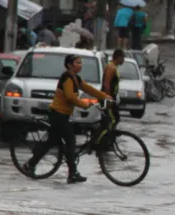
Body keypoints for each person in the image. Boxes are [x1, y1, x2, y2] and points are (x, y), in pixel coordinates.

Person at [25, 54, 113, 184]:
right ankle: (73, 174)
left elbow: (89, 89)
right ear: (69, 65)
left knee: (51, 142)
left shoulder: (75, 78)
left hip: (63, 115)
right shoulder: (66, 78)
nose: (80, 65)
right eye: (77, 62)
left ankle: (30, 165)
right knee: (70, 141)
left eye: (81, 62)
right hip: (58, 114)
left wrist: (105, 96)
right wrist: (83, 104)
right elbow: (70, 96)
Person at [103, 49, 125, 124]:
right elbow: (106, 83)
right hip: (109, 97)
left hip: (113, 97)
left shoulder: (114, 67)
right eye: (123, 58)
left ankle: (110, 134)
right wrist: (108, 98)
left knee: (115, 117)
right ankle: (107, 134)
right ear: (118, 57)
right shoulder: (111, 67)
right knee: (112, 119)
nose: (123, 60)